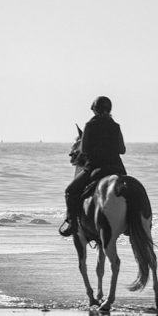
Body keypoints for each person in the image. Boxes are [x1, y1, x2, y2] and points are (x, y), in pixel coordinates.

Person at [59, 96, 127, 237]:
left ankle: (72, 224)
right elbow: (122, 150)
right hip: (117, 169)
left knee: (70, 192)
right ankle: (130, 224)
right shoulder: (115, 126)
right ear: (109, 110)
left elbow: (84, 150)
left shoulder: (90, 125)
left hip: (95, 168)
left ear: (95, 110)